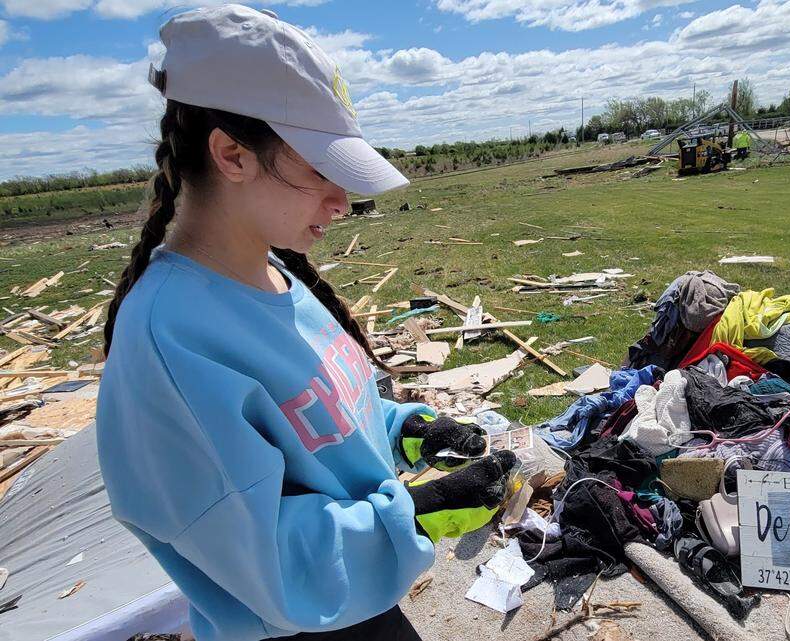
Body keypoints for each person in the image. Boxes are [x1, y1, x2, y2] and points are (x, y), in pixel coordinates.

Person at [95, 5, 517, 641]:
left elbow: (322, 422)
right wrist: (419, 517)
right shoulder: (171, 339)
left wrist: (406, 431)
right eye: (321, 168)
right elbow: (262, 562)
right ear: (232, 154)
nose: (343, 200)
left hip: (358, 604)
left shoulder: (271, 274)